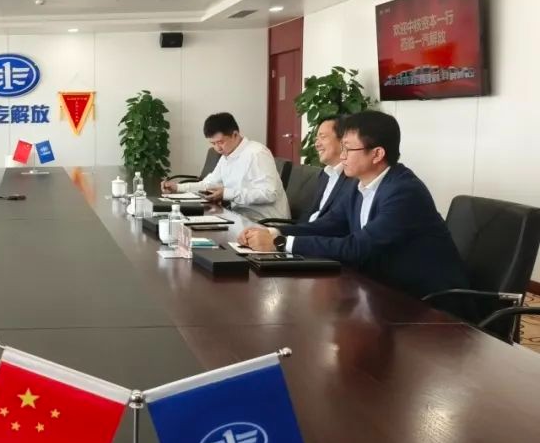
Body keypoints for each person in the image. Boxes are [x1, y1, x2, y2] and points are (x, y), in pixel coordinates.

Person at [238, 110, 469, 301]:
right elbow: (328, 226)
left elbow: (358, 247)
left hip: (428, 304)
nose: (342, 156)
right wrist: (272, 232)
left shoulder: (404, 192)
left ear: (377, 154)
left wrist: (280, 243)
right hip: (381, 291)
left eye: (348, 149)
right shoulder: (358, 185)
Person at [162, 112, 290, 221]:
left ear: (235, 135)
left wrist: (227, 193)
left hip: (264, 221)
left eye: (220, 142)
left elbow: (269, 194)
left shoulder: (257, 153)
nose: (217, 148)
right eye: (213, 143)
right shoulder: (227, 155)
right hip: (240, 216)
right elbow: (209, 183)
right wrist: (178, 187)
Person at [300, 116, 352, 223]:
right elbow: (312, 213)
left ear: (343, 140)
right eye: (316, 139)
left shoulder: (354, 178)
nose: (317, 144)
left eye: (322, 137)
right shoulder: (324, 175)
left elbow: (337, 222)